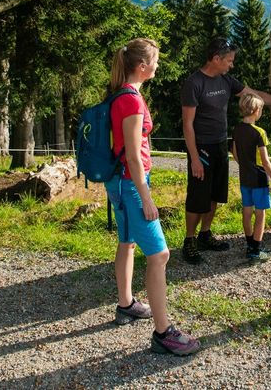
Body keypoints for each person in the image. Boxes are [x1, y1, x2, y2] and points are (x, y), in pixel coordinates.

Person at [107, 38, 201, 355]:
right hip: (131, 183)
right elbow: (133, 156)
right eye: (156, 61)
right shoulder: (131, 101)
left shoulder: (121, 94)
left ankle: (126, 304)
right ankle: (163, 334)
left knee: (127, 242)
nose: (158, 66)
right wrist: (146, 197)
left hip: (121, 183)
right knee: (159, 256)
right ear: (143, 66)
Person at [180, 37, 271, 264]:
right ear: (216, 59)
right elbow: (187, 124)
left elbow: (256, 95)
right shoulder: (194, 83)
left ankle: (205, 235)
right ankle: (189, 241)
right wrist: (194, 158)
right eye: (228, 60)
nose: (231, 65)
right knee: (198, 196)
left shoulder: (226, 80)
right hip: (201, 148)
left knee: (215, 194)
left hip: (220, 145)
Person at [230, 93, 271, 262]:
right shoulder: (259, 132)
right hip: (259, 179)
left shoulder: (236, 129)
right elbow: (265, 161)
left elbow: (235, 153)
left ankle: (250, 244)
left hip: (245, 177)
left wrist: (245, 165)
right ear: (257, 110)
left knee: (247, 210)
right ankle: (256, 250)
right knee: (260, 213)